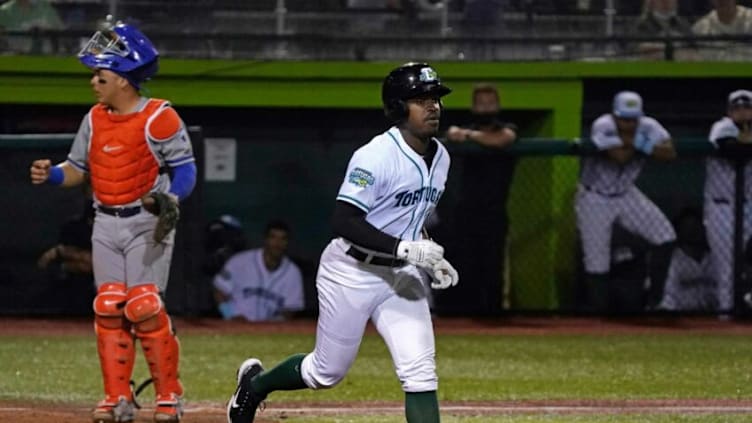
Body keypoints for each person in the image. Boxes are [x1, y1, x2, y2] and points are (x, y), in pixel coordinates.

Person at [226, 62, 458, 423]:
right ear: (398, 107)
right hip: (352, 270)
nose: (433, 107)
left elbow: (409, 218)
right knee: (325, 372)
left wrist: (427, 253)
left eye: (436, 99)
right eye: (420, 99)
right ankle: (255, 386)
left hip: (402, 275)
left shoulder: (441, 156)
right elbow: (343, 220)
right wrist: (404, 248)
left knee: (420, 373)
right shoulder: (376, 155)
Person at [29, 17, 196, 423]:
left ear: (123, 79)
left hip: (146, 221)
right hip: (104, 221)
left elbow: (186, 171)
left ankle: (169, 395)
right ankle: (116, 397)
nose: (94, 82)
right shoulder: (94, 118)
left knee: (143, 307)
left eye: (100, 75)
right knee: (108, 307)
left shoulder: (160, 117)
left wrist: (168, 199)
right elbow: (76, 168)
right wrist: (51, 174)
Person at [576, 91, 677, 312]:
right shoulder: (602, 124)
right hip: (595, 197)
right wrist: (646, 144)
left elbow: (669, 153)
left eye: (633, 119)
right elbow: (619, 155)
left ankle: (654, 301)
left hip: (626, 193)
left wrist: (637, 142)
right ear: (614, 114)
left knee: (665, 237)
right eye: (623, 119)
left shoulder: (648, 124)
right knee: (597, 262)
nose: (629, 124)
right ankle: (597, 317)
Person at [438, 83, 516, 314]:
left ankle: (493, 314)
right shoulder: (463, 128)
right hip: (466, 210)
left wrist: (469, 136)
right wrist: (457, 133)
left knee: (493, 265)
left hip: (495, 209)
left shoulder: (506, 128)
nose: (485, 108)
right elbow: (451, 133)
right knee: (465, 263)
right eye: (481, 103)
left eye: (490, 103)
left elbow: (502, 139)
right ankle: (463, 313)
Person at [703, 89, 752, 314]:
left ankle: (743, 303)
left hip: (748, 205)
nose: (742, 112)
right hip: (721, 206)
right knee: (726, 265)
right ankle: (726, 314)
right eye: (737, 108)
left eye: (747, 107)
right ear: (729, 111)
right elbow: (733, 151)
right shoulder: (722, 127)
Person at [213, 220, 305, 322]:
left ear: (288, 242)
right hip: (235, 325)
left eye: (283, 239)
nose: (277, 243)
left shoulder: (293, 273)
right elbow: (219, 291)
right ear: (265, 239)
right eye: (273, 237)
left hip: (268, 332)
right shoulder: (239, 262)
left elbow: (290, 308)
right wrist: (230, 315)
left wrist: (274, 323)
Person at [36, 184, 96, 314]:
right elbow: (50, 258)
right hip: (77, 283)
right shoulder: (73, 226)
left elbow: (99, 262)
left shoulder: (115, 228)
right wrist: (64, 254)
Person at [656, 207, 717, 311]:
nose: (693, 231)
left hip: (713, 314)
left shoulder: (715, 258)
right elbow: (669, 297)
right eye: (687, 227)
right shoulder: (674, 260)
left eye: (696, 226)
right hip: (681, 315)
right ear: (679, 231)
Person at [0, 0, 64, 54]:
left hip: (47, 57)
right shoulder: (4, 11)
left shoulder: (45, 7)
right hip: (14, 59)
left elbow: (61, 32)